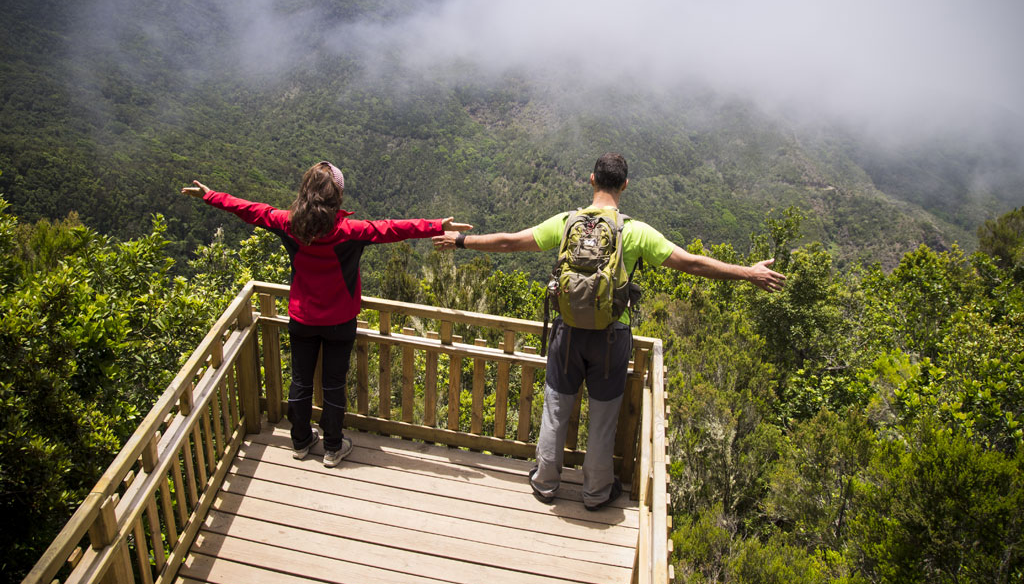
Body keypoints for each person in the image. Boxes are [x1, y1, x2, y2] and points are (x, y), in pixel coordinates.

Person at [433, 152, 784, 510]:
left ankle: (545, 482)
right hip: (612, 337)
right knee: (603, 418)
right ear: (625, 185)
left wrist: (460, 242)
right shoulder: (635, 231)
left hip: (567, 333)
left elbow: (510, 242)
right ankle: (596, 492)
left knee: (556, 408)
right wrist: (749, 273)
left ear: (592, 180)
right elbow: (691, 263)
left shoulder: (567, 223)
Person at [183, 161, 471, 467]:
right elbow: (392, 228)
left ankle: (300, 442)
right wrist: (437, 225)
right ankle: (333, 447)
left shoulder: (288, 224)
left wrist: (210, 196)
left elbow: (250, 210)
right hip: (339, 321)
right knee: (333, 384)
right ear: (337, 196)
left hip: (302, 318)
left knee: (300, 381)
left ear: (305, 191)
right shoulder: (350, 231)